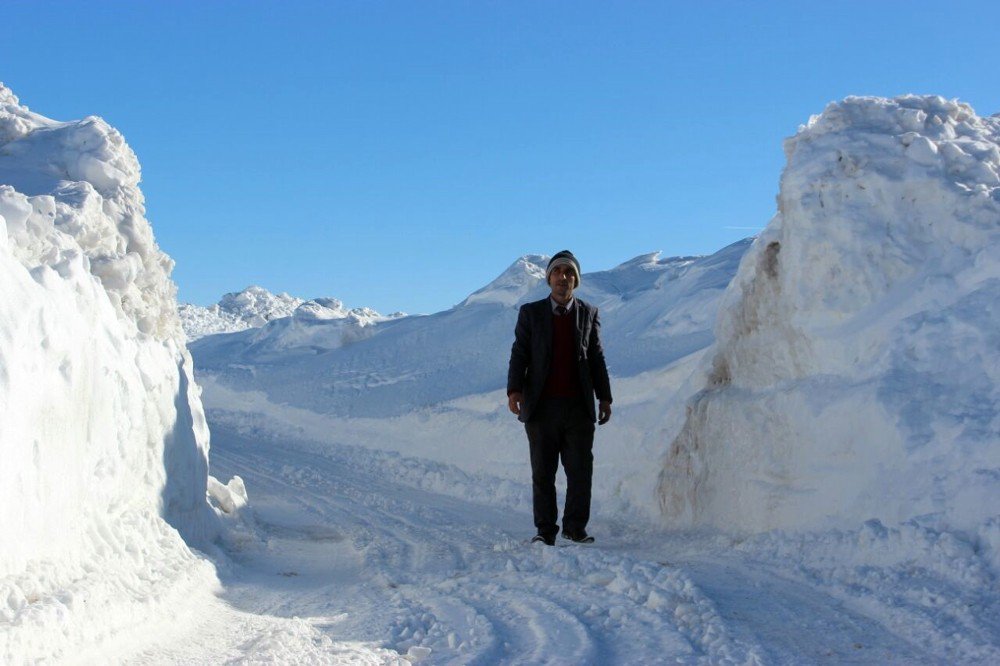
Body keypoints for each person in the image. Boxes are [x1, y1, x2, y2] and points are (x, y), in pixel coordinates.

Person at [506, 250, 613, 545]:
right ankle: (545, 531)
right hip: (541, 407)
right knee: (543, 473)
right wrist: (514, 390)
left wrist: (604, 397)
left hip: (578, 408)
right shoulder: (531, 313)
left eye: (569, 273)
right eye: (557, 272)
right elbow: (520, 353)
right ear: (549, 278)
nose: (563, 278)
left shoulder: (589, 313)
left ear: (575, 281)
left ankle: (575, 528)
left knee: (580, 472)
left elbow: (596, 357)